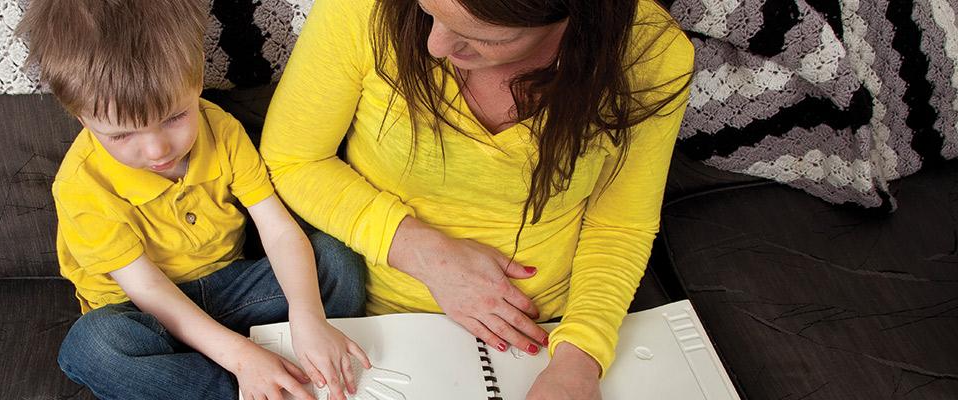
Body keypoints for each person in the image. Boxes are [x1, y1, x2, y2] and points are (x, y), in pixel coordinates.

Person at [260, 0, 693, 397]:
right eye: (428, 9)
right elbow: (293, 160)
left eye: (486, 36)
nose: (435, 45)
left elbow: (620, 225)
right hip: (373, 326)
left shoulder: (650, 53)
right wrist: (422, 252)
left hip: (553, 332)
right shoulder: (360, 9)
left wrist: (580, 357)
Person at [18, 1, 371, 398]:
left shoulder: (220, 129)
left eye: (173, 117)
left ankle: (272, 357)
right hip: (146, 314)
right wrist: (241, 359)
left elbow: (277, 229)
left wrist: (309, 317)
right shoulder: (81, 185)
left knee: (335, 260)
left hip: (229, 289)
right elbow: (148, 290)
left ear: (198, 76)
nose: (157, 150)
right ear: (82, 118)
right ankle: (238, 384)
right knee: (94, 346)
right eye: (121, 135)